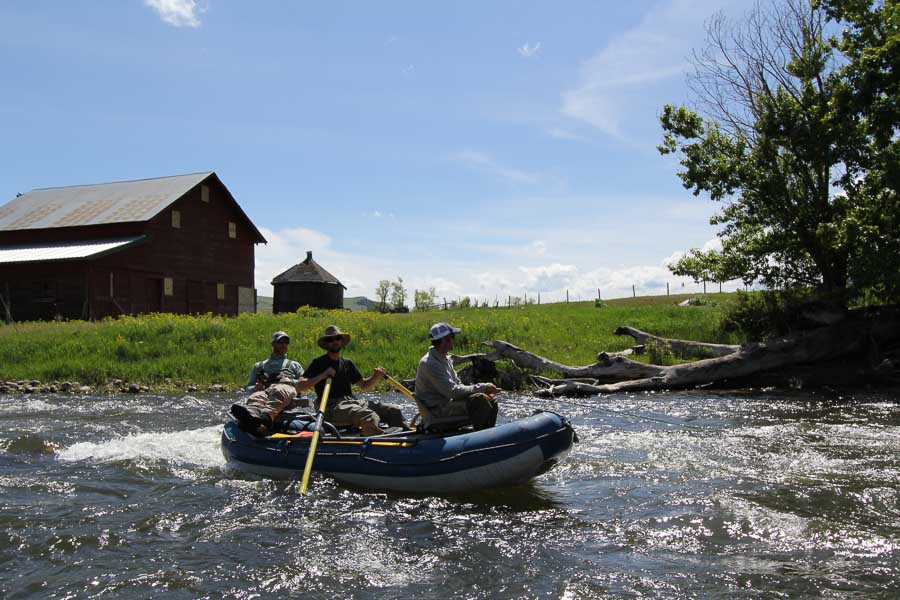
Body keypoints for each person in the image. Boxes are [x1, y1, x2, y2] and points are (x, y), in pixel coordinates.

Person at [303, 325, 406, 437]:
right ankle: (379, 440)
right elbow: (300, 386)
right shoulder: (318, 363)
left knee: (393, 411)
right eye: (330, 339)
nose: (334, 342)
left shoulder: (347, 363)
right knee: (369, 416)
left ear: (341, 341)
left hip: (351, 402)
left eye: (337, 338)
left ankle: (408, 437)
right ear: (326, 344)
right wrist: (323, 375)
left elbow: (364, 385)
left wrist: (375, 376)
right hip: (331, 407)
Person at [231, 330, 334, 433]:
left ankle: (266, 418)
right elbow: (249, 388)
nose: (283, 345)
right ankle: (251, 417)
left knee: (279, 389)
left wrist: (287, 381)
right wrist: (255, 388)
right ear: (273, 344)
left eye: (286, 343)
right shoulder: (259, 366)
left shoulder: (294, 365)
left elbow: (305, 384)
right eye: (280, 342)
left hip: (287, 395)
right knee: (257, 396)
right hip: (265, 393)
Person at [414, 322, 498, 430]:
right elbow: (452, 392)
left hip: (448, 404)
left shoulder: (445, 358)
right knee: (479, 400)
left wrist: (482, 390)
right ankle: (481, 436)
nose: (454, 340)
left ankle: (488, 433)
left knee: (491, 401)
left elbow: (458, 385)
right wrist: (483, 388)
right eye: (452, 337)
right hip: (437, 410)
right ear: (445, 340)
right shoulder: (430, 364)